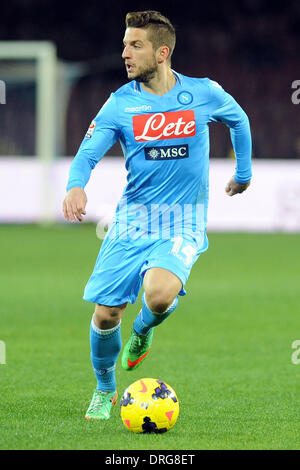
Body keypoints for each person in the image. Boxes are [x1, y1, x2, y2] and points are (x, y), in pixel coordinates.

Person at [63, 10, 252, 421]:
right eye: (125, 45)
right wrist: (75, 185)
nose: (125, 54)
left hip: (183, 220)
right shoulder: (119, 103)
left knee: (160, 293)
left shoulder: (203, 92)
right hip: (132, 222)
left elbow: (238, 119)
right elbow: (87, 153)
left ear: (161, 52)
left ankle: (143, 329)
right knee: (105, 313)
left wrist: (243, 174)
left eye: (135, 45)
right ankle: (104, 388)